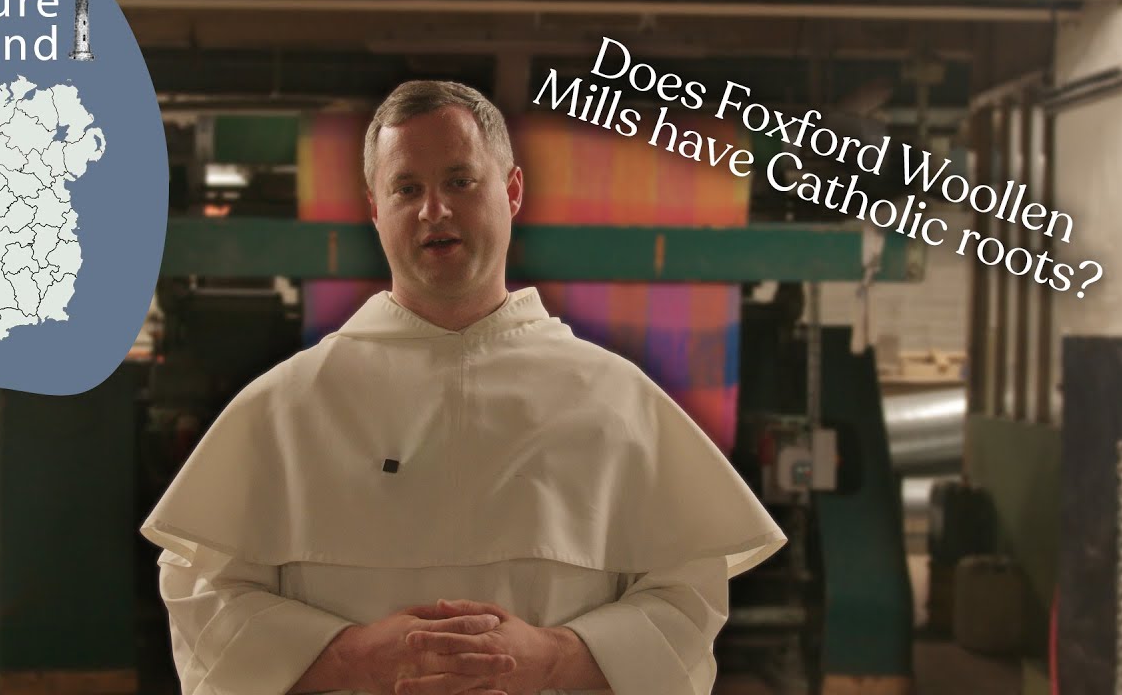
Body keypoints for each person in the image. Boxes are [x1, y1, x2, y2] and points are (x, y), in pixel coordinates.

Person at [141, 80, 786, 695]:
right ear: (375, 209)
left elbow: (686, 602)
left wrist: (552, 657)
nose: (434, 210)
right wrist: (356, 656)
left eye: (459, 181)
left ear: (512, 190)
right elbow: (206, 601)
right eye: (406, 188)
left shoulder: (614, 399)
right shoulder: (288, 405)